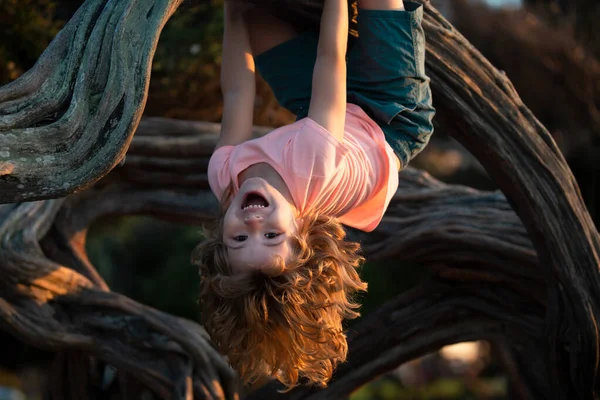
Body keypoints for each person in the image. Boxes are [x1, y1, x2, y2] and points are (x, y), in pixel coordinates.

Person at [192, 0, 435, 390]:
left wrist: (232, 13)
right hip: (390, 112)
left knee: (257, 18)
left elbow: (237, 92)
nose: (254, 223)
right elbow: (330, 58)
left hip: (319, 110)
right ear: (302, 230)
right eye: (272, 236)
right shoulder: (312, 163)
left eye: (239, 239)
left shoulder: (224, 178)